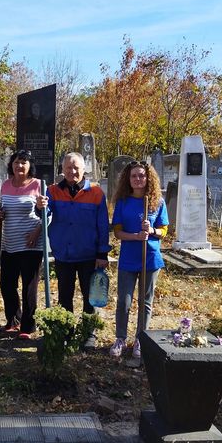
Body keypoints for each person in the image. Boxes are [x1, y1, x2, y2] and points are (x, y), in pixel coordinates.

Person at [37, 152, 110, 318]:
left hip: (88, 255)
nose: (72, 171)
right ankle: (65, 332)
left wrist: (102, 253)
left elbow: (103, 226)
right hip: (64, 255)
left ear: (84, 169)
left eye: (76, 168)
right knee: (64, 297)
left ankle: (88, 334)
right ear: (63, 169)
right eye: (68, 167)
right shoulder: (52, 191)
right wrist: (40, 206)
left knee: (90, 297)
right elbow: (45, 213)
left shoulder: (96, 193)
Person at [110, 161, 169, 359]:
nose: (138, 179)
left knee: (145, 302)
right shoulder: (123, 202)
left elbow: (164, 230)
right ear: (128, 178)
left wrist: (152, 230)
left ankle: (140, 339)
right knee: (124, 302)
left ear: (148, 178)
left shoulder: (157, 202)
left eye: (142, 176)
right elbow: (117, 232)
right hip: (128, 258)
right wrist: (135, 236)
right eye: (134, 176)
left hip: (150, 259)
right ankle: (120, 338)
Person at [0, 150, 43, 339]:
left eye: (23, 162)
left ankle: (28, 326)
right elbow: (3, 208)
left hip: (31, 244)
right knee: (7, 284)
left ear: (30, 166)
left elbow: (48, 214)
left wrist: (37, 231)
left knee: (29, 287)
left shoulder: (38, 185)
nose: (19, 166)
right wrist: (0, 215)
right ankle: (14, 319)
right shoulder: (6, 185)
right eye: (16, 162)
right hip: (9, 244)